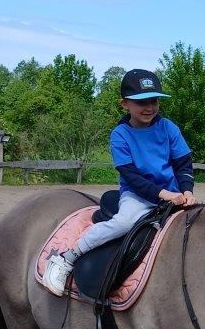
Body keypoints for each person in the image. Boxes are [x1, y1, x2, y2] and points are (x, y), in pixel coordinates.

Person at [42, 68, 195, 296]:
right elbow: (131, 176)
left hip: (173, 194)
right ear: (125, 104)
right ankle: (68, 257)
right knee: (124, 223)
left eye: (154, 101)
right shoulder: (120, 135)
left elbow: (183, 164)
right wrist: (164, 194)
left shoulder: (169, 128)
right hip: (138, 195)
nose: (149, 107)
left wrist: (187, 191)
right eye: (141, 102)